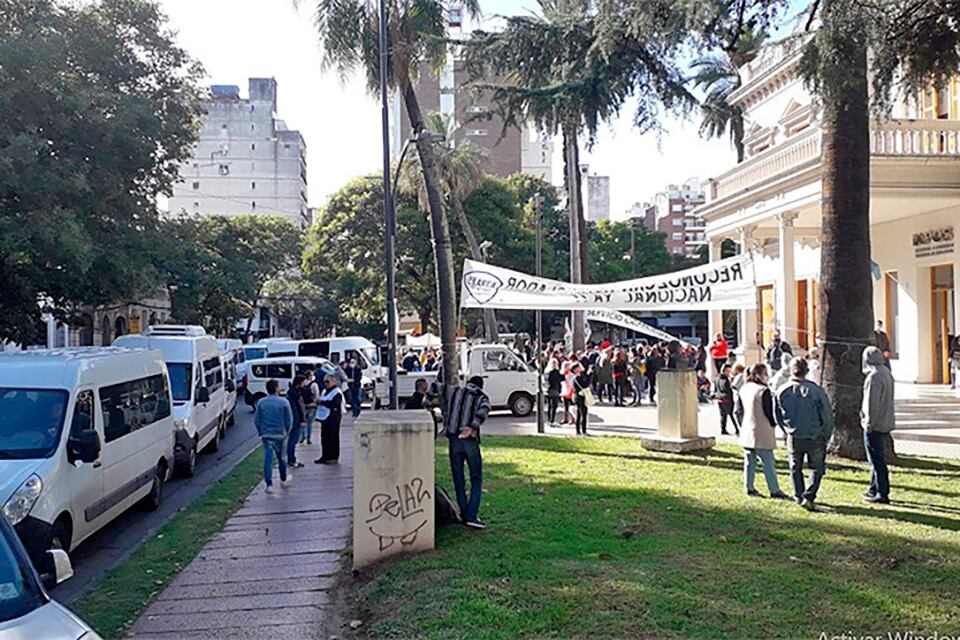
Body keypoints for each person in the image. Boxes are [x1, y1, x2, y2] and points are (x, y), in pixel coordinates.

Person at [432, 376, 490, 529]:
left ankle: (463, 514)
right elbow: (484, 410)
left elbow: (435, 386)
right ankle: (471, 516)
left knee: (458, 479)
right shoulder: (481, 397)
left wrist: (428, 402)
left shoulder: (454, 391)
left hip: (454, 439)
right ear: (480, 386)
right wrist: (472, 427)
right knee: (476, 478)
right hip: (470, 440)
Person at [775, 358, 834, 510]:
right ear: (806, 371)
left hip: (793, 434)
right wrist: (826, 434)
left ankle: (799, 495)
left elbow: (778, 416)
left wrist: (786, 430)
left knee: (795, 467)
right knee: (817, 468)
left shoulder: (781, 391)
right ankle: (808, 495)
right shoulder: (816, 391)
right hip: (815, 434)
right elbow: (827, 415)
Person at [737, 364, 791, 499]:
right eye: (764, 373)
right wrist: (774, 424)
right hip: (762, 429)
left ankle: (749, 487)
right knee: (768, 462)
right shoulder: (763, 391)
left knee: (749, 461)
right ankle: (774, 489)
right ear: (758, 375)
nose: (766, 376)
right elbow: (769, 411)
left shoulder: (744, 388)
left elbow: (738, 410)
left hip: (747, 428)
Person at [861, 346, 896, 504]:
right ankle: (873, 488)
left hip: (875, 424)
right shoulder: (886, 373)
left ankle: (882, 492)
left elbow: (871, 404)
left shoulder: (873, 377)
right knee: (877, 458)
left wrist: (869, 423)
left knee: (876, 460)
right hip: (885, 421)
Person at [254, 379, 293, 493]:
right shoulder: (284, 402)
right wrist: (287, 431)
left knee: (268, 459)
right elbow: (289, 419)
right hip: (281, 434)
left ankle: (269, 484)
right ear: (276, 388)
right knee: (282, 458)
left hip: (267, 434)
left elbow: (257, 420)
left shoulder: (261, 402)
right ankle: (283, 477)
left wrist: (261, 431)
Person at [314, 374, 344, 464]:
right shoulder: (324, 391)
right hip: (324, 418)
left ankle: (333, 457)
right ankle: (325, 456)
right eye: (324, 382)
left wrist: (322, 402)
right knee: (324, 437)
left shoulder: (337, 392)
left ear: (334, 381)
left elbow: (334, 403)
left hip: (333, 418)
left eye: (327, 381)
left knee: (333, 437)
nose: (325, 384)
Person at [285, 375, 306, 469]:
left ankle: (290, 458)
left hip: (291, 418)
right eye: (303, 382)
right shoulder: (297, 394)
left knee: (291, 440)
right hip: (296, 419)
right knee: (293, 441)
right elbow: (300, 407)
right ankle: (291, 459)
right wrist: (302, 419)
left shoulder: (290, 392)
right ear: (299, 383)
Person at [715, 364, 737, 436]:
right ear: (724, 371)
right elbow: (725, 389)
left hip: (720, 399)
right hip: (727, 399)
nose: (729, 373)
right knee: (731, 414)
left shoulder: (717, 378)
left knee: (723, 415)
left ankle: (723, 429)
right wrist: (730, 385)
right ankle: (737, 429)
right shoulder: (725, 380)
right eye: (728, 371)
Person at [300, 371, 319, 445]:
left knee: (303, 420)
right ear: (310, 376)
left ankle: (303, 436)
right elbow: (316, 395)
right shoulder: (314, 384)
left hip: (304, 405)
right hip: (312, 405)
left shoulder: (302, 383)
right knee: (310, 422)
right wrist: (317, 403)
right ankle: (309, 437)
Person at [573, 364, 592, 435]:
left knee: (581, 414)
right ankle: (581, 431)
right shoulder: (577, 378)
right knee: (582, 413)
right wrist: (589, 375)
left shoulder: (580, 376)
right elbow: (585, 385)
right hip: (579, 397)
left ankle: (580, 431)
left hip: (580, 396)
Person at [546, 358, 563, 426]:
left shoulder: (548, 372)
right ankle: (552, 420)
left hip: (549, 390)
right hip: (555, 390)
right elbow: (561, 379)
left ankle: (549, 420)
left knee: (550, 406)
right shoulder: (556, 372)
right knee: (554, 406)